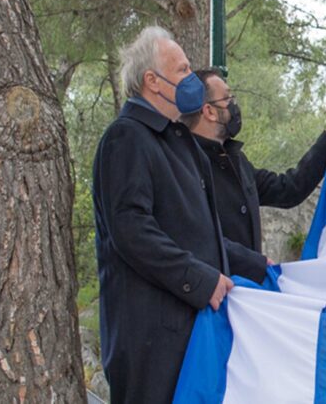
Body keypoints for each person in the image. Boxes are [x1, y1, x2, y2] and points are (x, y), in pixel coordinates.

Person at [92, 27, 266, 404]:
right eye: (184, 70)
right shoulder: (126, 138)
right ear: (152, 81)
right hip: (152, 343)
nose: (193, 81)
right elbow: (131, 230)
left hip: (192, 332)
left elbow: (198, 234)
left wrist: (258, 267)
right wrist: (200, 280)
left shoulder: (180, 145)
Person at [184, 67, 326, 268]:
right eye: (227, 98)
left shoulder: (236, 160)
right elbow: (197, 238)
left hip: (245, 292)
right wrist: (256, 264)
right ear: (209, 111)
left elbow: (288, 189)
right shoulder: (184, 165)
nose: (234, 105)